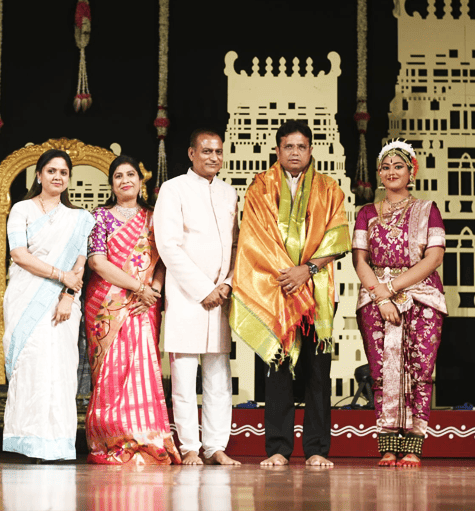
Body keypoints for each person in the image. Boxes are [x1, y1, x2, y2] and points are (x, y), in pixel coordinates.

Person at [230, 120, 351, 467]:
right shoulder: (260, 187)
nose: (295, 152)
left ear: (310, 150)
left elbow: (337, 238)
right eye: (288, 146)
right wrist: (289, 276)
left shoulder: (329, 188)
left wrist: (306, 270)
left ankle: (316, 449)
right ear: (278, 150)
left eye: (301, 146)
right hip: (277, 289)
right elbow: (255, 239)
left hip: (316, 292)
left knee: (318, 372)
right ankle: (278, 448)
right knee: (277, 368)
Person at [352, 140, 447, 467]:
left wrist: (392, 287)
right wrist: (381, 296)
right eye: (385, 167)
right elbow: (360, 261)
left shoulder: (428, 209)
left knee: (420, 371)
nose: (391, 172)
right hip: (376, 298)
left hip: (422, 296)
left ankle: (414, 446)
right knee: (381, 371)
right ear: (379, 174)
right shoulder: (367, 213)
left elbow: (434, 257)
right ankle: (389, 445)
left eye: (398, 166)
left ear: (411, 172)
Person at [85, 155, 181, 465]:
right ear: (111, 184)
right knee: (111, 373)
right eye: (118, 176)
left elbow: (163, 259)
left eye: (131, 174)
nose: (125, 180)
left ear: (141, 181)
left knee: (141, 369)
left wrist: (154, 290)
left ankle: (146, 438)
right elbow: (97, 262)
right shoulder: (99, 216)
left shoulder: (154, 217)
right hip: (105, 304)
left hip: (144, 303)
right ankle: (110, 438)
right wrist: (139, 287)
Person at [153, 129, 240, 466]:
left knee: (218, 377)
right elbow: (168, 245)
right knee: (184, 377)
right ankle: (189, 445)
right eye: (206, 151)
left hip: (221, 296)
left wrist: (227, 284)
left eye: (218, 151)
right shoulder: (173, 189)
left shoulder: (229, 193)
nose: (213, 157)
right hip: (187, 296)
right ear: (191, 153)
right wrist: (204, 290)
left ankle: (216, 446)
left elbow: (236, 245)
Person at [3, 149, 95, 461]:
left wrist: (68, 295)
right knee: (31, 366)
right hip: (25, 298)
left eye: (63, 172)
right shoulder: (22, 209)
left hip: (62, 303)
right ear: (39, 175)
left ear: (69, 179)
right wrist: (60, 275)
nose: (57, 176)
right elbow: (19, 254)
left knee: (60, 369)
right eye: (51, 170)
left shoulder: (79, 218)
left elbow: (79, 263)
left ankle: (56, 444)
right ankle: (28, 441)